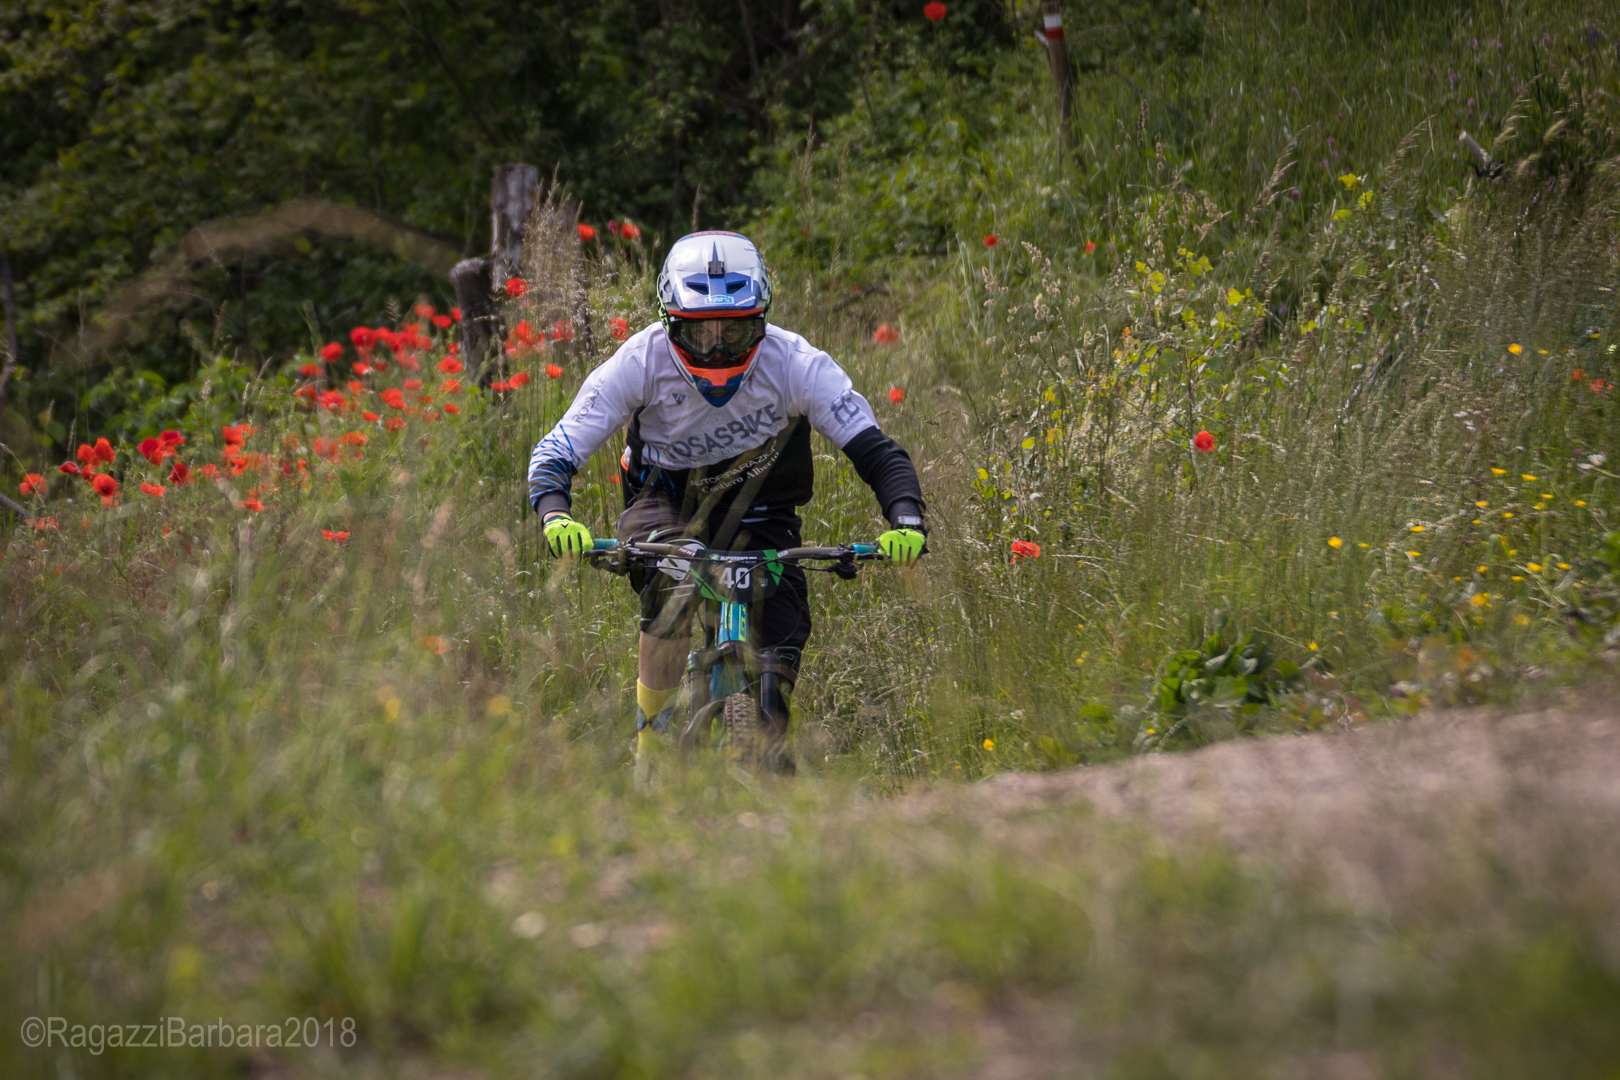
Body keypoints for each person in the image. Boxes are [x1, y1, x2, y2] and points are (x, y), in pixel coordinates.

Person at [527, 230, 926, 766]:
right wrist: (555, 516)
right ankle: (652, 742)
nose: (716, 349)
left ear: (762, 321)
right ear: (669, 322)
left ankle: (763, 754)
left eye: (734, 332)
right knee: (670, 586)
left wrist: (906, 520)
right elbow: (556, 451)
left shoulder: (798, 364)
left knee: (778, 662)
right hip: (664, 501)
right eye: (698, 333)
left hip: (764, 510)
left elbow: (877, 451)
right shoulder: (639, 361)